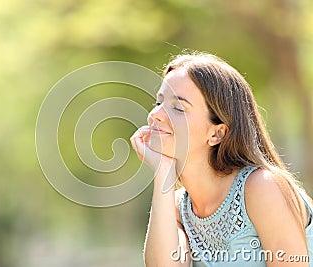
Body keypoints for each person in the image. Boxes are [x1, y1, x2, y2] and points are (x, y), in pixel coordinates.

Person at [130, 52, 313, 266]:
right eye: (158, 102)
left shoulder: (262, 188)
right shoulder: (179, 207)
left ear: (217, 133)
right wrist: (163, 172)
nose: (155, 115)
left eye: (178, 107)